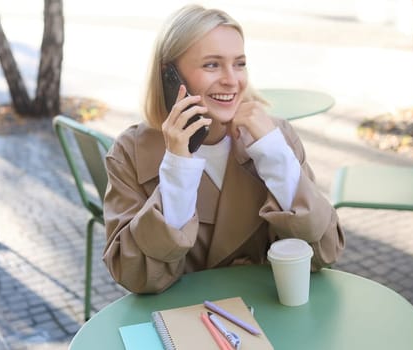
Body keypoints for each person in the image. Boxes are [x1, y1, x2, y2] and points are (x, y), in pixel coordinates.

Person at [103, 4, 344, 294]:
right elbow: (136, 276)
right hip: (184, 320)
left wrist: (274, 155)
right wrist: (178, 169)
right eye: (212, 64)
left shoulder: (275, 138)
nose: (232, 80)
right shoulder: (130, 152)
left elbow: (324, 253)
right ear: (171, 76)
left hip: (265, 312)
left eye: (239, 63)